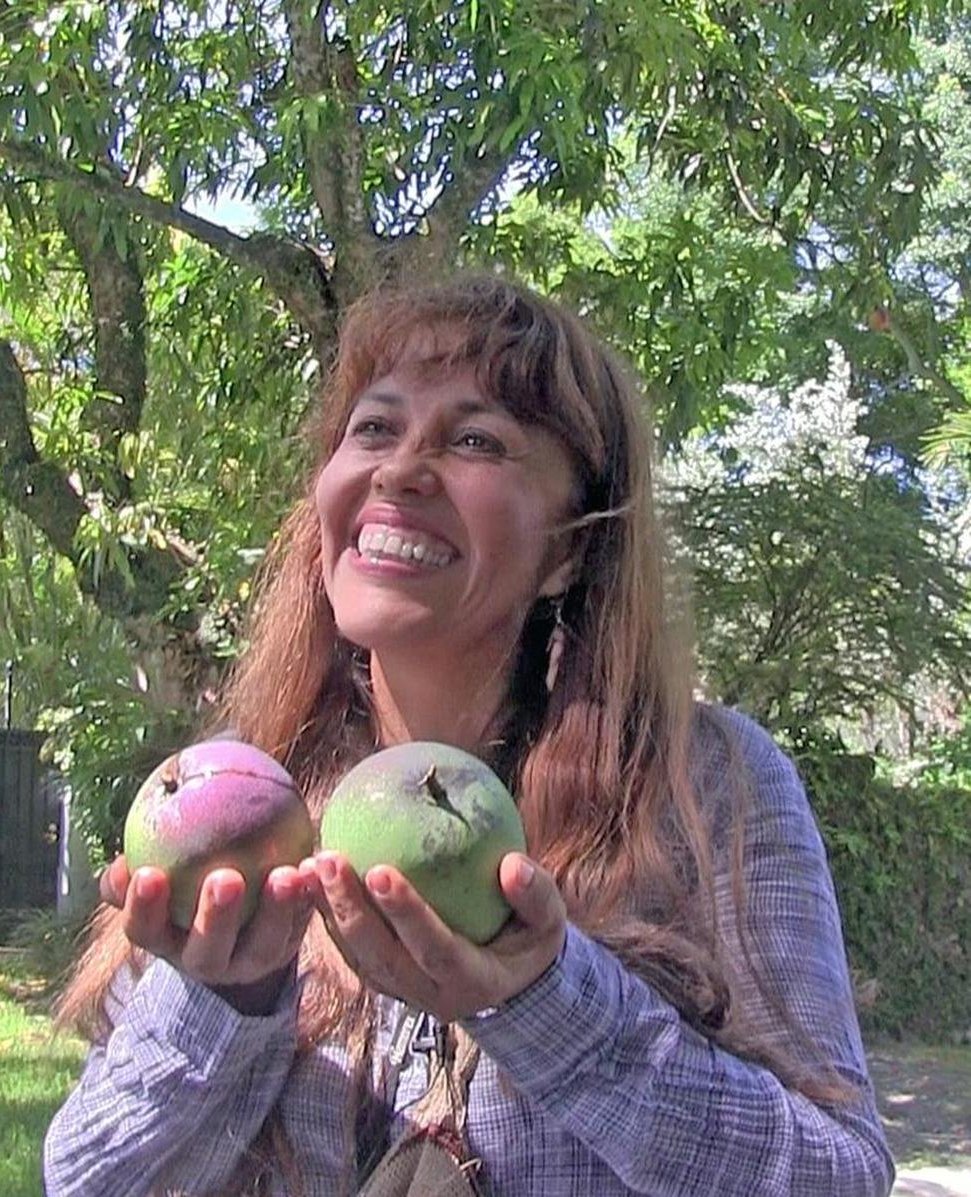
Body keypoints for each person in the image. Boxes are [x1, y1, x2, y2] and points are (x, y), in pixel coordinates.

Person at [43, 275, 895, 1196]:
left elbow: (837, 1173)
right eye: (374, 428)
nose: (401, 469)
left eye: (476, 439)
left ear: (568, 547)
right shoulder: (248, 806)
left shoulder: (709, 784)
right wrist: (225, 1000)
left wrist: (543, 1003)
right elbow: (87, 1179)